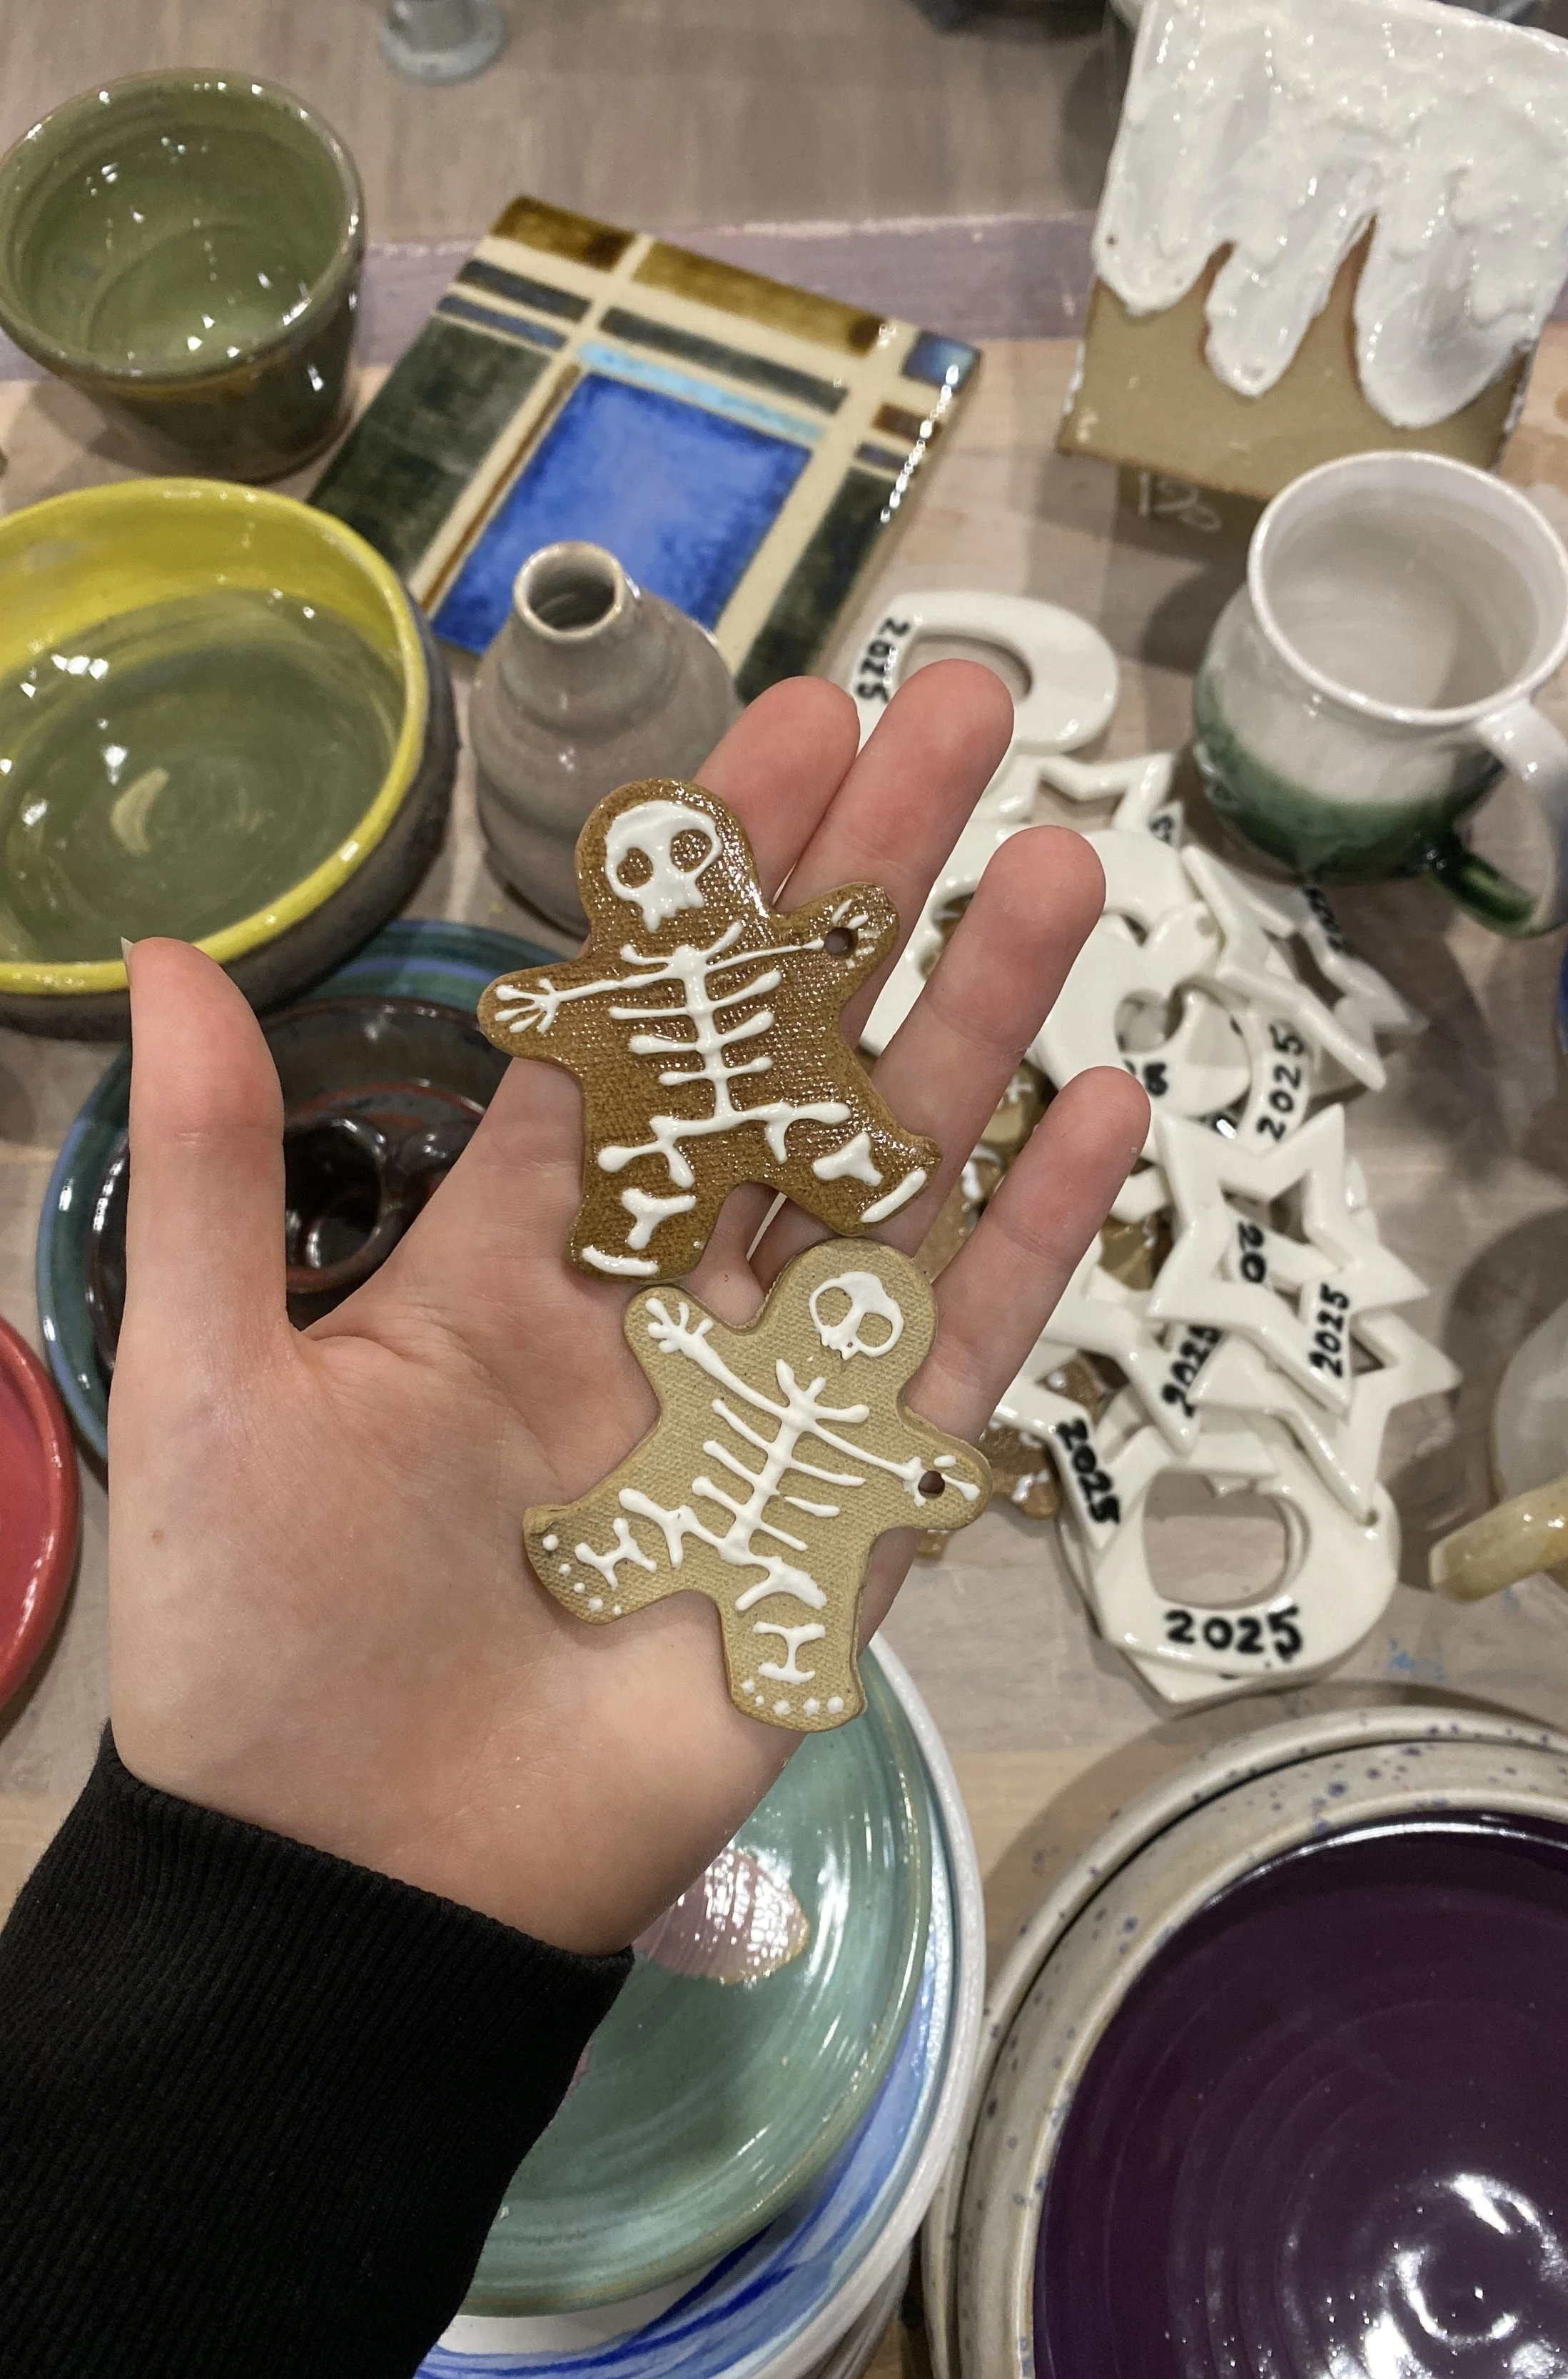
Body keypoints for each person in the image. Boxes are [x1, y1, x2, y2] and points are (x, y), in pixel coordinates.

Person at [0, 666, 1148, 2378]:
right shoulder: (732, 1328)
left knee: (752, 1579)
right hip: (694, 1479)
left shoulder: (791, 1333)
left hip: (744, 1473)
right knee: (689, 1544)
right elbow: (685, 1319)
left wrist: (230, 1934)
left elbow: (826, 1399)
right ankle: (636, 1553)